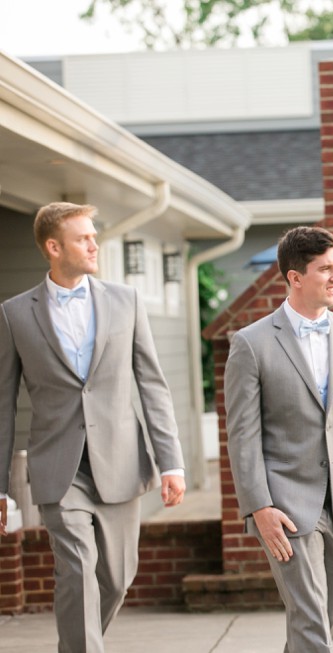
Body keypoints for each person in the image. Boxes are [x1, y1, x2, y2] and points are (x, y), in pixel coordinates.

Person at [0, 201, 186, 653]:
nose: (93, 244)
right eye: (83, 237)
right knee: (78, 567)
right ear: (53, 247)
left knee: (116, 580)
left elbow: (153, 386)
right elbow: (3, 405)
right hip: (57, 468)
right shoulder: (14, 314)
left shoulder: (126, 301)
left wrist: (171, 462)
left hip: (121, 462)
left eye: (93, 235)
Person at [225, 226, 333, 652]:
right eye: (325, 269)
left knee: (325, 614)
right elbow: (242, 434)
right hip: (285, 504)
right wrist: (259, 506)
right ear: (295, 277)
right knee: (311, 616)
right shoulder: (251, 344)